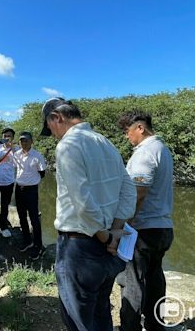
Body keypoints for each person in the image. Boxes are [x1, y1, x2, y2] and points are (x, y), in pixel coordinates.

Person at [40, 97, 136, 331]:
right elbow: (129, 190)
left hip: (80, 248)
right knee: (101, 310)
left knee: (78, 319)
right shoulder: (106, 143)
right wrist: (115, 230)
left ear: (57, 117)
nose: (52, 134)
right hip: (107, 248)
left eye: (50, 127)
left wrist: (107, 236)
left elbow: (82, 203)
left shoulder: (68, 145)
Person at [116, 111, 174, 331]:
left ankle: (129, 328)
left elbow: (139, 193)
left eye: (127, 131)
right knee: (155, 279)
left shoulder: (145, 152)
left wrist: (123, 226)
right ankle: (155, 325)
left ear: (140, 128)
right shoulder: (162, 149)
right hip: (163, 227)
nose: (126, 136)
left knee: (132, 283)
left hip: (143, 229)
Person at [12, 131, 47, 260]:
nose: (23, 143)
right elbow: (16, 168)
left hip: (31, 190)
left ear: (32, 141)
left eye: (26, 140)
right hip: (19, 189)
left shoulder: (37, 156)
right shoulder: (16, 155)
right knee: (21, 216)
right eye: (21, 140)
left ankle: (38, 245)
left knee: (34, 218)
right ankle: (27, 239)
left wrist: (31, 181)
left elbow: (42, 173)